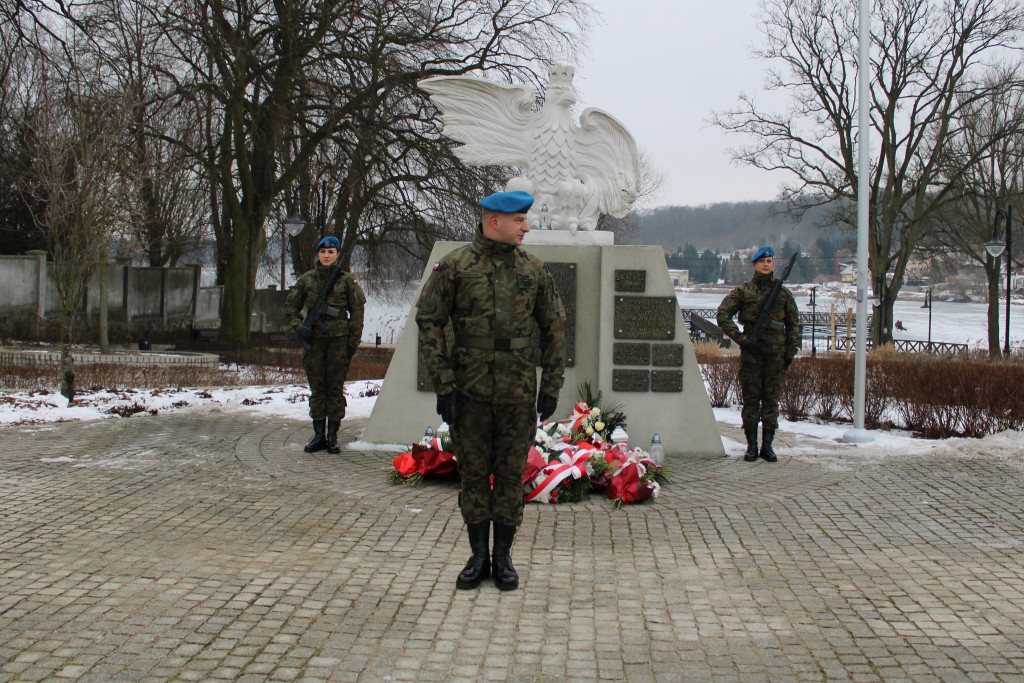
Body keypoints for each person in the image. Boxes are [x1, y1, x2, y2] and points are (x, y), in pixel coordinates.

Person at [415, 190, 566, 591]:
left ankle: (503, 558)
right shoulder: (455, 266)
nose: (526, 228)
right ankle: (478, 555)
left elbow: (554, 328)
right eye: (519, 221)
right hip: (470, 390)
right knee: (475, 474)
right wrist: (443, 382)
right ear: (494, 221)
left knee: (511, 476)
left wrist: (550, 385)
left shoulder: (533, 269)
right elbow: (429, 321)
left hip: (517, 391)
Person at [716, 246, 800, 463]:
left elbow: (793, 325)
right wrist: (742, 340)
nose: (766, 264)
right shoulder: (744, 291)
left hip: (775, 355)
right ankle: (752, 447)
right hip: (752, 354)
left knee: (771, 401)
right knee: (751, 401)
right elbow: (723, 315)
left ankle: (768, 447)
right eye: (762, 261)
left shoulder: (783, 293)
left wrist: (790, 353)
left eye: (770, 261)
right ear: (754, 264)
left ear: (773, 265)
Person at [286, 236, 366, 455]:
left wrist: (353, 343)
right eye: (323, 252)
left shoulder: (347, 281)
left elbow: (357, 313)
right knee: (317, 388)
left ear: (338, 255)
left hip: (338, 343)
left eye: (331, 252)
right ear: (318, 255)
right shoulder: (307, 280)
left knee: (334, 388)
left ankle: (333, 436)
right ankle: (318, 434)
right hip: (314, 344)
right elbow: (291, 306)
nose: (327, 256)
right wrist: (299, 326)